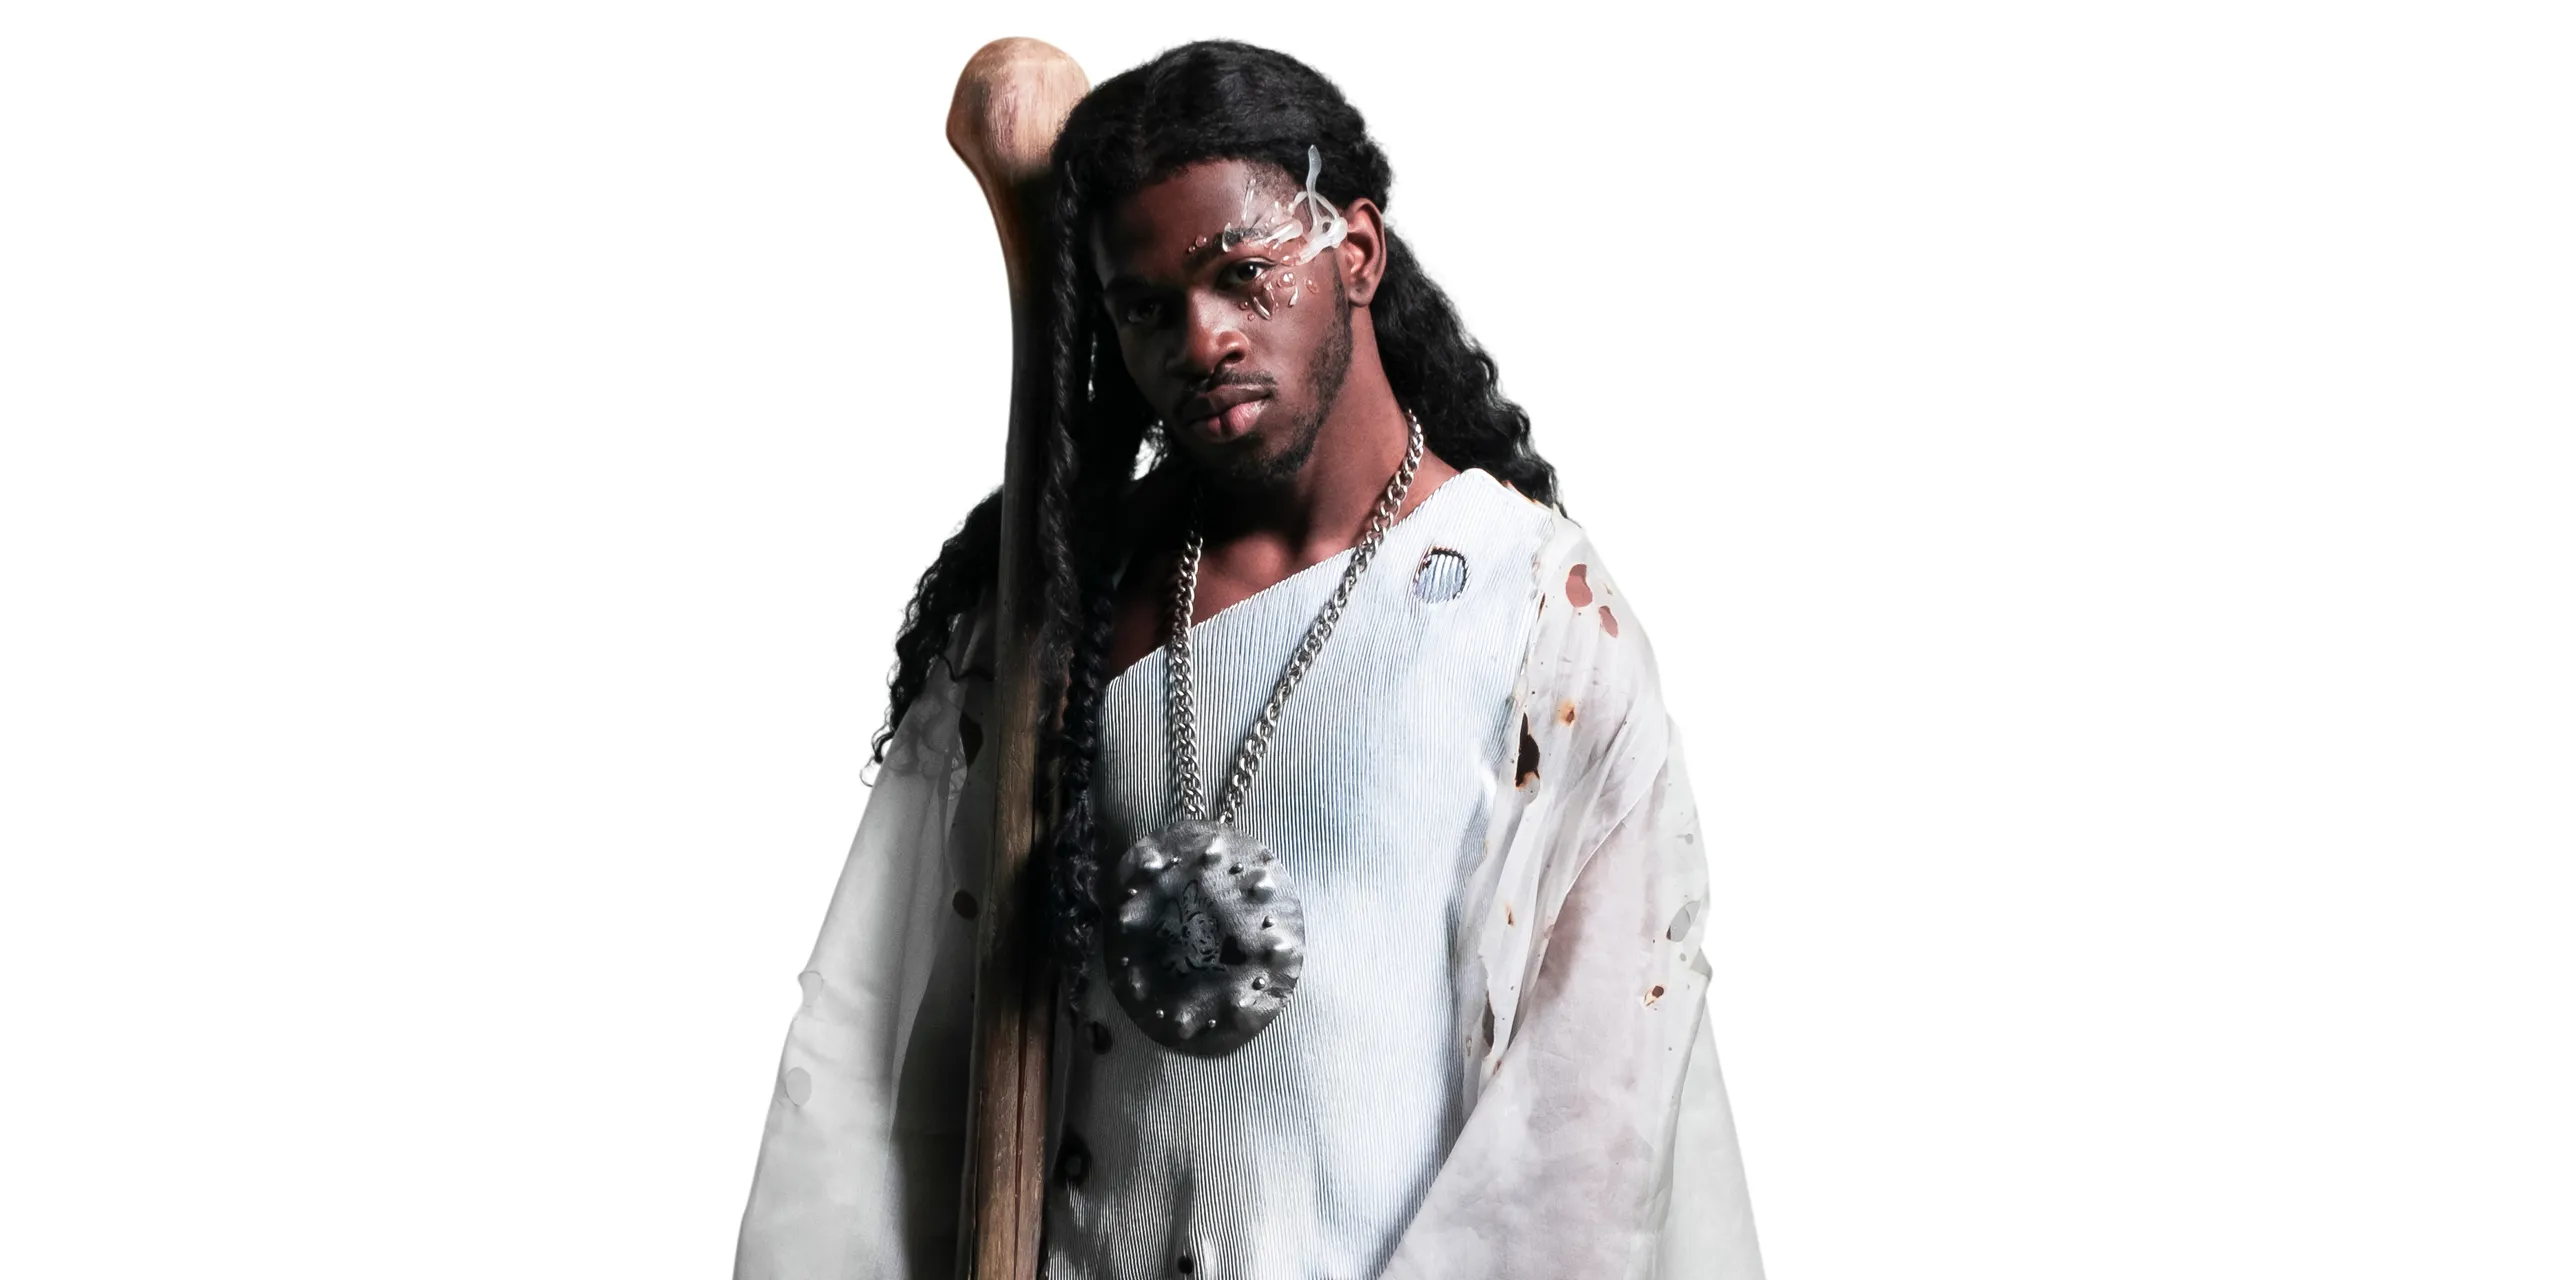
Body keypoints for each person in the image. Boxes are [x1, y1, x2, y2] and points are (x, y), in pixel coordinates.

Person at [736, 40, 1761, 1280]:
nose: (1202, 337)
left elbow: (1588, 1113)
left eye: (1242, 273)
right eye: (1145, 307)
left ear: (1355, 251)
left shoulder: (1532, 614)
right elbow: (885, 1056)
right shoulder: (1059, 620)